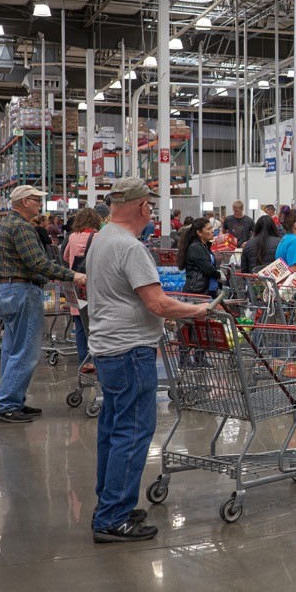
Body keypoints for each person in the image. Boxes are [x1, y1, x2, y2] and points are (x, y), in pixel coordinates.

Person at [87, 177, 212, 543]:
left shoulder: (103, 238)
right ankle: (113, 519)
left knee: (113, 429)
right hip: (130, 350)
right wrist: (198, 310)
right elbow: (157, 303)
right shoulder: (129, 247)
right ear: (143, 207)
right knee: (133, 432)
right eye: (151, 206)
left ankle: (109, 504)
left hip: (109, 348)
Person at [0, 185, 85, 423]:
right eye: (35, 200)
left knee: (13, 350)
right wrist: (73, 275)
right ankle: (6, 404)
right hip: (23, 291)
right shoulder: (21, 227)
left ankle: (13, 400)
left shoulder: (4, 224)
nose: (39, 204)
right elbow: (37, 263)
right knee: (26, 352)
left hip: (8, 290)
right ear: (22, 202)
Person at [62, 207, 102, 374]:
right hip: (92, 286)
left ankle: (83, 361)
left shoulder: (71, 237)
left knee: (79, 324)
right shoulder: (98, 237)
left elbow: (65, 257)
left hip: (75, 285)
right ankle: (95, 360)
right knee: (94, 325)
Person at [178, 217, 221, 297]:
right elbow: (208, 269)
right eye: (208, 229)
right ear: (199, 233)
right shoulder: (196, 248)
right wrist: (219, 275)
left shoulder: (205, 246)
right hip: (197, 292)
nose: (212, 231)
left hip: (208, 290)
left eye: (212, 228)